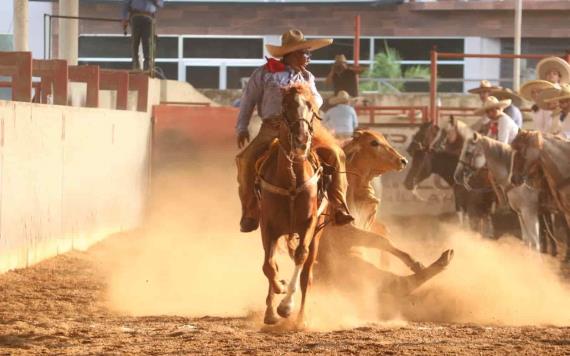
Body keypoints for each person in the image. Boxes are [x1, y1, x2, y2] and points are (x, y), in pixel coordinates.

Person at [235, 29, 354, 233]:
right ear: (291, 54)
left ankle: (338, 205)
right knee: (245, 160)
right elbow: (248, 100)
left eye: (308, 53)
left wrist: (303, 95)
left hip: (305, 127)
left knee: (336, 154)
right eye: (304, 53)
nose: (308, 57)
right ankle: (250, 210)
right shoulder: (264, 73)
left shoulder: (307, 77)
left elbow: (318, 99)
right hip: (272, 127)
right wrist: (242, 127)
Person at [121, 0, 164, 71]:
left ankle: (148, 66)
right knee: (135, 41)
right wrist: (124, 18)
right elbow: (126, 4)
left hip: (148, 17)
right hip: (136, 16)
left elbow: (160, 4)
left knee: (147, 42)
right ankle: (136, 65)